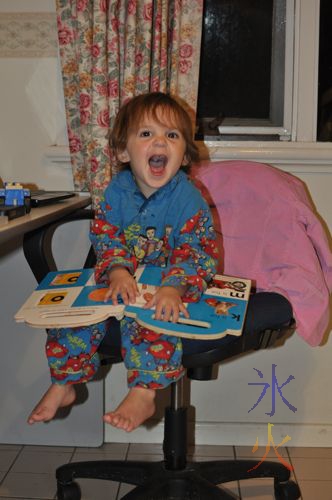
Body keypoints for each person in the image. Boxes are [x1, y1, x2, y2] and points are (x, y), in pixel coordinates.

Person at [27, 92, 218, 432]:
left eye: (171, 135)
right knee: (77, 314)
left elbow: (195, 251)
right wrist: (116, 270)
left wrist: (174, 288)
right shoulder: (117, 189)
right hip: (120, 279)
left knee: (152, 321)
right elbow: (106, 235)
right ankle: (64, 382)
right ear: (123, 152)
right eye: (146, 134)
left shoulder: (190, 198)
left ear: (185, 155)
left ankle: (144, 391)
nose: (160, 141)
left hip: (171, 284)